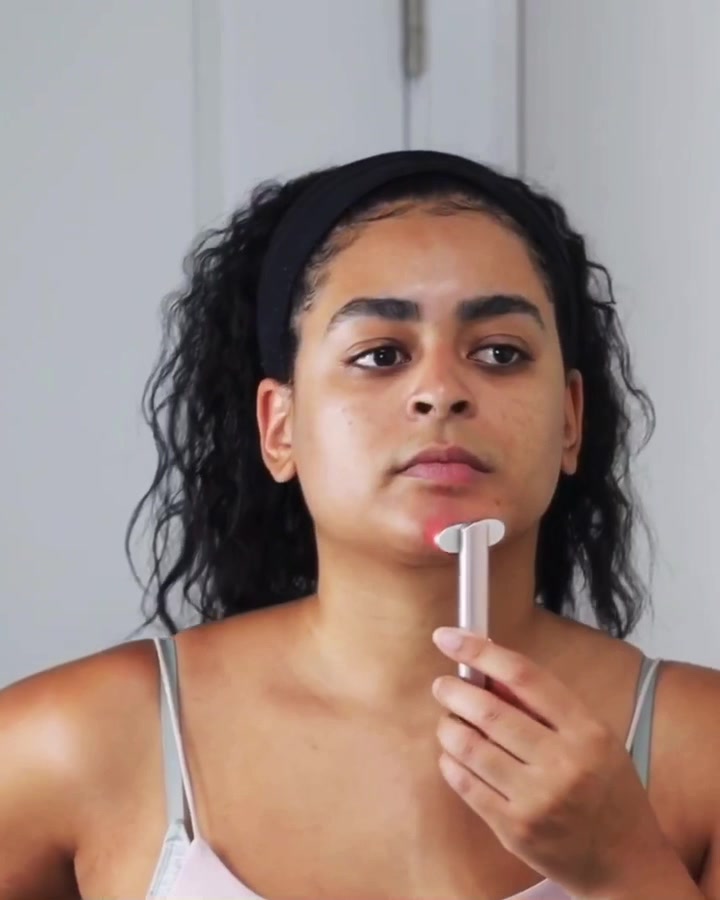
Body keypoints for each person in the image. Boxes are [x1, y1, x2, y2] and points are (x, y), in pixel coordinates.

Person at [0, 150, 718, 900]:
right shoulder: (78, 744)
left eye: (500, 352)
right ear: (280, 427)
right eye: (380, 355)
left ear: (570, 421)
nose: (440, 391)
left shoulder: (704, 753)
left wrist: (625, 867)